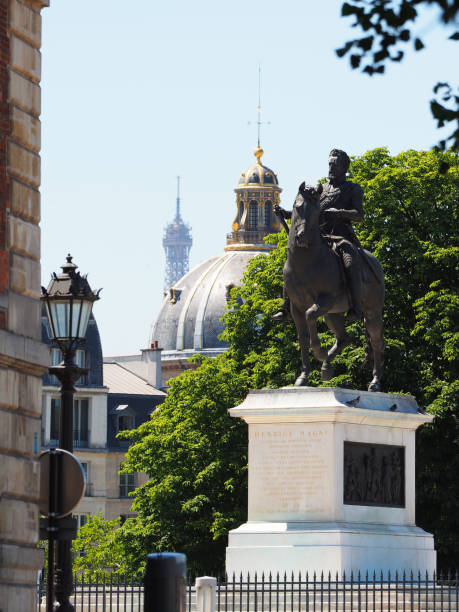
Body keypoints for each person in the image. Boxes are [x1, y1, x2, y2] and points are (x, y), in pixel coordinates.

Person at [273, 148, 364, 322]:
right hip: (319, 237)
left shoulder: (352, 189)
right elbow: (307, 213)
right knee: (291, 264)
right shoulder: (320, 189)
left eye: (335, 165)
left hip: (341, 238)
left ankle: (356, 307)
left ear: (344, 168)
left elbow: (359, 215)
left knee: (350, 262)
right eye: (329, 164)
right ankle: (285, 308)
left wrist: (339, 212)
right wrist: (285, 213)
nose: (331, 168)